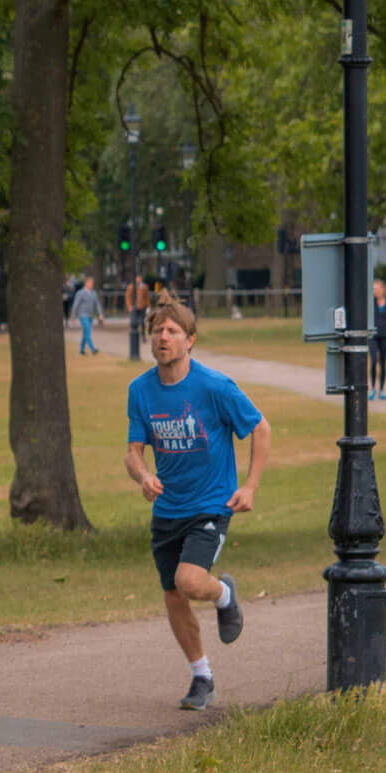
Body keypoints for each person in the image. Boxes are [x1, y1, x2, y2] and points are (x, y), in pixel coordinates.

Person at [125, 301, 269, 712]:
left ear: (190, 340)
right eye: (157, 330)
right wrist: (143, 476)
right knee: (174, 594)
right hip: (167, 509)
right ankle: (201, 675)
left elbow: (260, 428)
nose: (162, 337)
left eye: (171, 331)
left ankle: (224, 594)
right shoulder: (141, 390)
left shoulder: (215, 386)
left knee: (189, 581)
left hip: (210, 504)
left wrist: (250, 486)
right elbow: (133, 451)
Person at [72, 275, 101, 355]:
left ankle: (81, 350)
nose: (92, 284)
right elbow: (75, 305)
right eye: (90, 283)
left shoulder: (93, 293)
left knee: (85, 333)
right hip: (83, 315)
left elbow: (97, 304)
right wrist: (73, 316)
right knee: (88, 331)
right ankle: (93, 349)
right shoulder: (80, 293)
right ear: (86, 283)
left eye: (92, 283)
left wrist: (100, 314)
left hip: (90, 315)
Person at [125, 273, 149, 361]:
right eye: (137, 278)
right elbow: (128, 296)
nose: (138, 280)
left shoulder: (144, 287)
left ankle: (143, 335)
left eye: (139, 278)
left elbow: (147, 297)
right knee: (134, 322)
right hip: (134, 307)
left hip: (142, 307)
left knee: (142, 322)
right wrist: (129, 306)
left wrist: (148, 306)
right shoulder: (131, 286)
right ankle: (136, 337)